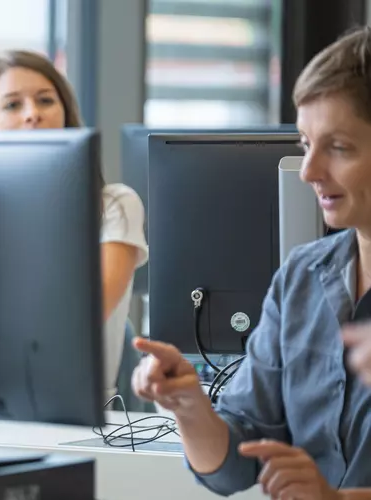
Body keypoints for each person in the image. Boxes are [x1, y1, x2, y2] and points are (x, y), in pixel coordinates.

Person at [132, 26, 371, 499]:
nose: (308, 171)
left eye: (338, 147)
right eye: (305, 143)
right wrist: (189, 405)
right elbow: (238, 461)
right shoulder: (302, 277)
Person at [0, 49, 149, 400]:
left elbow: (81, 317)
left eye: (45, 100)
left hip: (76, 411)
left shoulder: (114, 204)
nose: (32, 115)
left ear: (66, 112)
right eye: (12, 105)